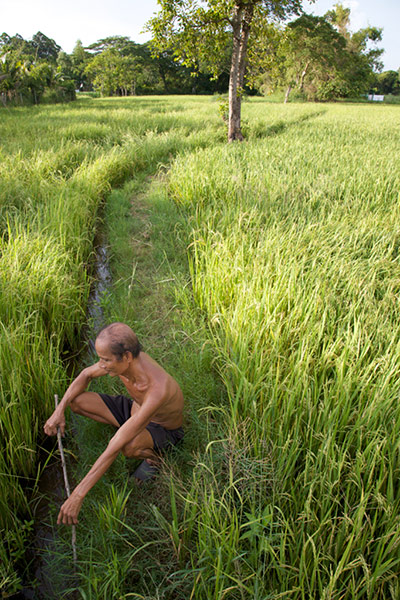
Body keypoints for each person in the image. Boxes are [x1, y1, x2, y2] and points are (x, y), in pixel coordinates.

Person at [44, 322, 184, 526]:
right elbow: (85, 374)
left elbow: (116, 445)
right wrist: (59, 410)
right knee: (77, 402)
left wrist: (78, 494)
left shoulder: (157, 389)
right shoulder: (124, 363)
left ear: (126, 357)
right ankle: (128, 430)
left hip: (163, 429)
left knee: (127, 445)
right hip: (135, 410)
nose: (101, 364)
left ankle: (156, 459)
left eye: (105, 359)